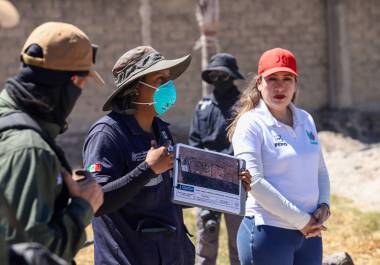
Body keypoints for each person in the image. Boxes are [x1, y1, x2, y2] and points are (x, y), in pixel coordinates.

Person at [0, 22, 104, 262]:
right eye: (84, 83)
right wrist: (82, 207)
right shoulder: (29, 150)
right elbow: (29, 254)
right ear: (76, 82)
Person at [83, 46, 195, 265]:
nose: (168, 86)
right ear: (135, 89)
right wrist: (147, 169)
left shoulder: (161, 130)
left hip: (171, 254)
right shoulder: (107, 134)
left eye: (168, 79)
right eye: (159, 79)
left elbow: (166, 196)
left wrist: (227, 187)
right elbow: (97, 202)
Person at [228, 48, 331, 265]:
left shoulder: (305, 119)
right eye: (272, 78)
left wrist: (324, 206)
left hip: (309, 235)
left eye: (287, 78)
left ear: (295, 84)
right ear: (259, 83)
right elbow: (253, 182)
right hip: (269, 233)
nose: (280, 86)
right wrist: (302, 220)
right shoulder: (251, 124)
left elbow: (319, 169)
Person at [189, 53, 244, 265]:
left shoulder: (243, 107)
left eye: (223, 75)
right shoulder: (203, 107)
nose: (218, 80)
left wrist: (224, 167)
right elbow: (194, 142)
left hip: (234, 181)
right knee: (205, 241)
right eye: (214, 75)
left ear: (232, 77)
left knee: (238, 242)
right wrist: (204, 169)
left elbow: (243, 145)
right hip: (205, 182)